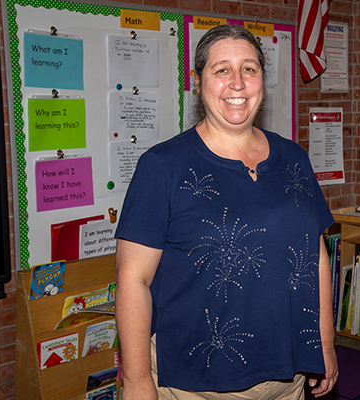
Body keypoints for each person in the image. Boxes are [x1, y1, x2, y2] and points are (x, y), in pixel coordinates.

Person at [115, 24, 338, 400]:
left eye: (249, 69)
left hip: (288, 376)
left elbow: (314, 257)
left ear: (262, 81)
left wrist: (325, 343)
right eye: (222, 70)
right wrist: (137, 382)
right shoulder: (163, 167)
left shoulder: (295, 159)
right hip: (196, 382)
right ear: (198, 81)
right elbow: (132, 280)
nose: (237, 83)